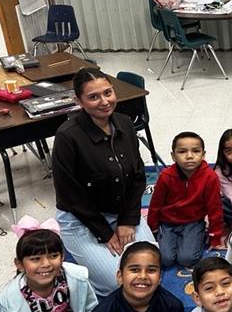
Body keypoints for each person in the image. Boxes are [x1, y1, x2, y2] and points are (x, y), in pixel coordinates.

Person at [52, 68, 155, 297]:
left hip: (120, 213)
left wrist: (128, 221)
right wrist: (105, 234)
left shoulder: (125, 123)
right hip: (82, 220)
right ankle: (84, 289)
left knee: (150, 269)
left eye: (107, 93)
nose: (104, 102)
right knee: (118, 282)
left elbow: (138, 176)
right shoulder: (67, 136)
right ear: (78, 101)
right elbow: (71, 196)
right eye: (93, 97)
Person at [147, 131, 224, 268]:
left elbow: (215, 208)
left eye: (196, 151)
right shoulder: (166, 176)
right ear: (173, 156)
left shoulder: (210, 177)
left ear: (203, 154)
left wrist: (215, 235)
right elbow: (155, 205)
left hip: (193, 222)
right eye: (182, 152)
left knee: (186, 259)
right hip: (167, 223)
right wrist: (152, 228)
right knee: (165, 259)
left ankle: (198, 236)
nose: (189, 156)